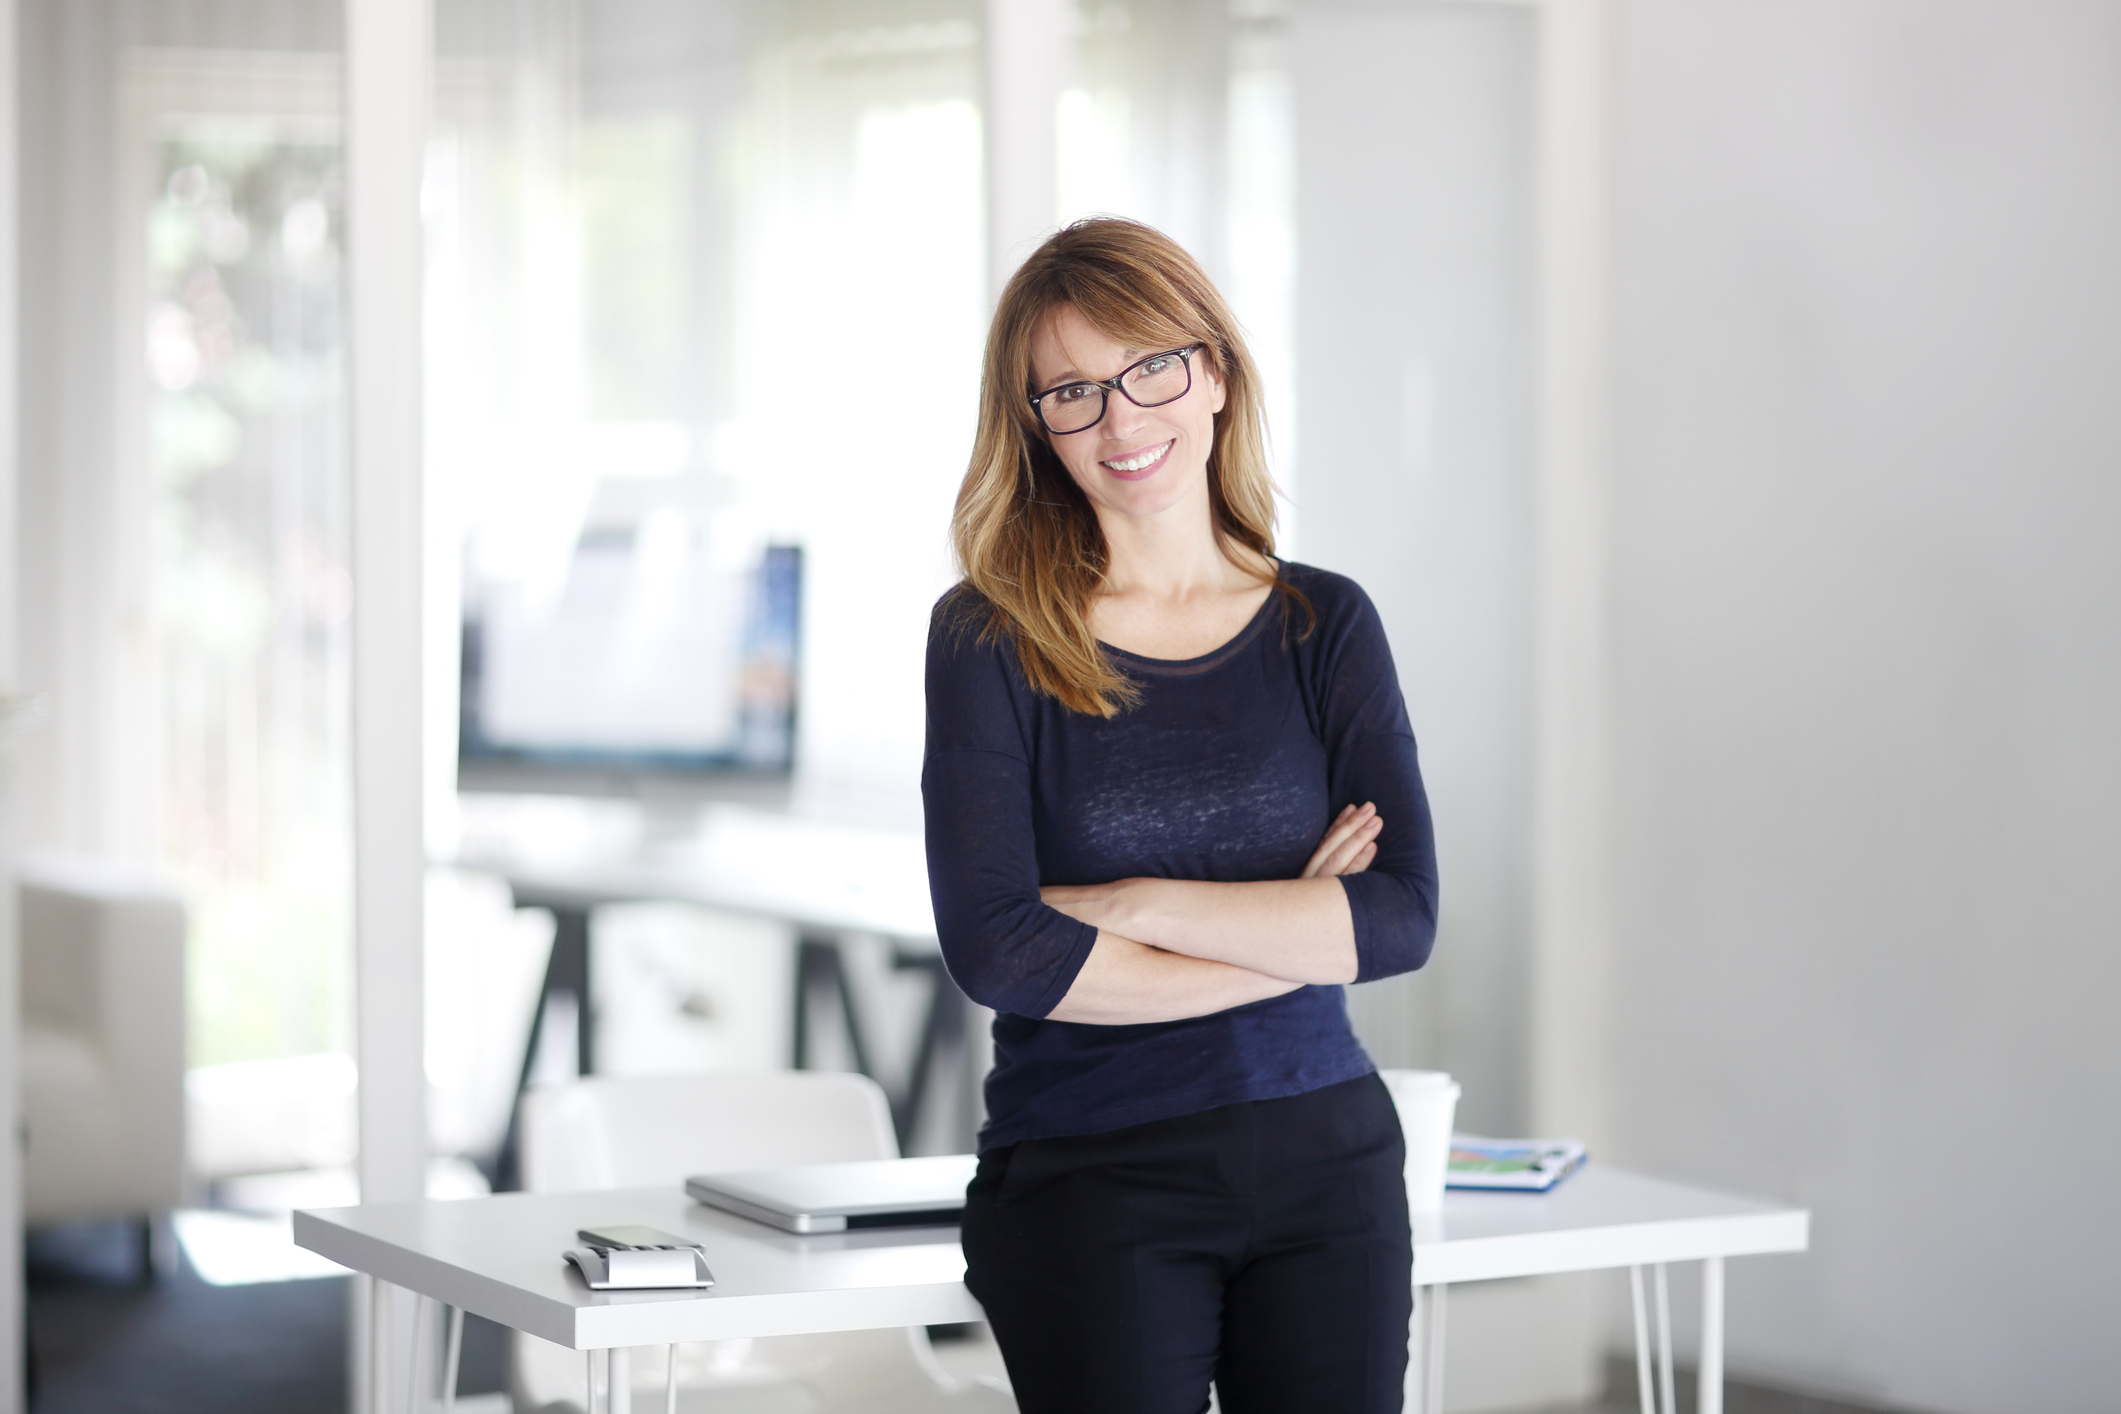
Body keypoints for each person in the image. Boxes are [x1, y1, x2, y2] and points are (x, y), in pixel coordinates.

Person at [922, 217, 1439, 1414]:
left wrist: (1142, 909)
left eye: (1149, 366)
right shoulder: (990, 638)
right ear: (1036, 426)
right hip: (1092, 1174)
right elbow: (1002, 948)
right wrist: (1294, 929)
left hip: (1329, 1159)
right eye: (1072, 390)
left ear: (1213, 373)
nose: (1120, 419)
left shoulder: (1326, 624)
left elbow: (1401, 919)